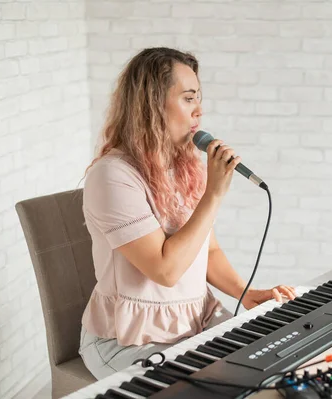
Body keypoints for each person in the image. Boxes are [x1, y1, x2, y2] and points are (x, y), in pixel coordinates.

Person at [78, 47, 297, 380]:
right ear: (151, 104)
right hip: (129, 342)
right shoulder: (112, 176)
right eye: (189, 98)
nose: (200, 111)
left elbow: (208, 250)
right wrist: (214, 195)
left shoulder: (182, 168)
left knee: (275, 359)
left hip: (196, 324)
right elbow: (165, 270)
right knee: (221, 386)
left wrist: (245, 292)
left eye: (199, 99)